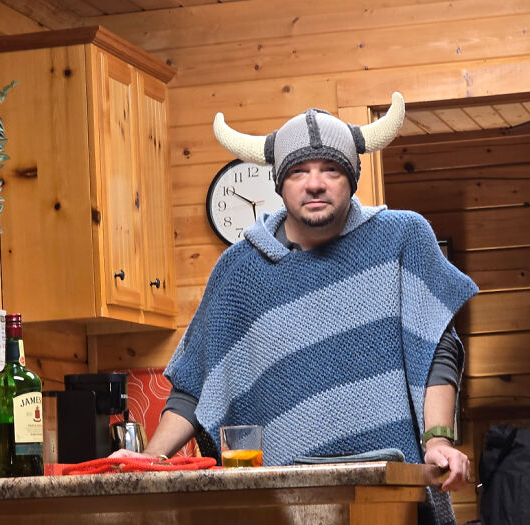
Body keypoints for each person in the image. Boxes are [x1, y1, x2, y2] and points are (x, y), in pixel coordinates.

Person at [112, 92, 478, 525]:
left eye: (332, 169)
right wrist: (150, 457)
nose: (315, 183)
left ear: (352, 178)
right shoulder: (239, 271)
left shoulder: (402, 239)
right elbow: (197, 385)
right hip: (284, 505)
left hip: (395, 495)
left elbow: (438, 347)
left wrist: (438, 439)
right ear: (280, 184)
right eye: (299, 171)